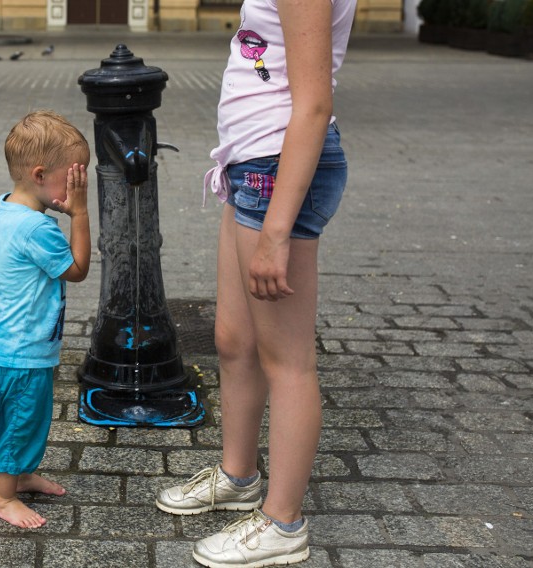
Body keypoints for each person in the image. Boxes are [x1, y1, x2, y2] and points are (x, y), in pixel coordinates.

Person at [156, 0, 357, 566]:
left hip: (277, 171)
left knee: (286, 360)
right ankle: (239, 475)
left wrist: (276, 231)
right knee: (233, 339)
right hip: (252, 165)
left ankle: (282, 523)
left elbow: (315, 104)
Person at [0, 110, 90, 529]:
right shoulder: (39, 231)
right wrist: (79, 214)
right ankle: (3, 499)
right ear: (41, 175)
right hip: (19, 357)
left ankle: (19, 477)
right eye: (74, 178)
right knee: (17, 427)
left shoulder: (2, 207)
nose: (78, 187)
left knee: (22, 422)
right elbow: (77, 269)